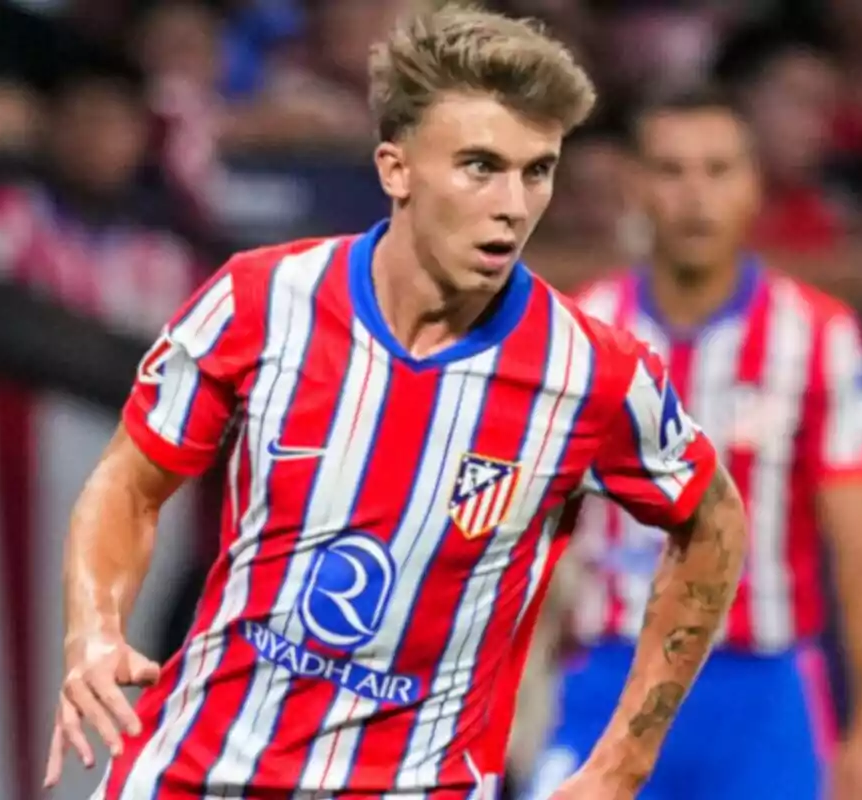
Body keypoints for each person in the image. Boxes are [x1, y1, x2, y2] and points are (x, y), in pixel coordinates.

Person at [41, 4, 750, 799]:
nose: (513, 204)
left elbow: (712, 522)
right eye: (481, 166)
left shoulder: (592, 372)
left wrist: (624, 759)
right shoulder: (259, 301)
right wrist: (96, 631)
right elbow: (130, 482)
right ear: (396, 168)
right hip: (195, 773)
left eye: (536, 169)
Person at [525, 87, 862, 800]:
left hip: (762, 690)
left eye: (718, 169)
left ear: (755, 183)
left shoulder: (820, 339)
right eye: (671, 171)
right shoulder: (581, 332)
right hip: (605, 677)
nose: (695, 195)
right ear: (636, 185)